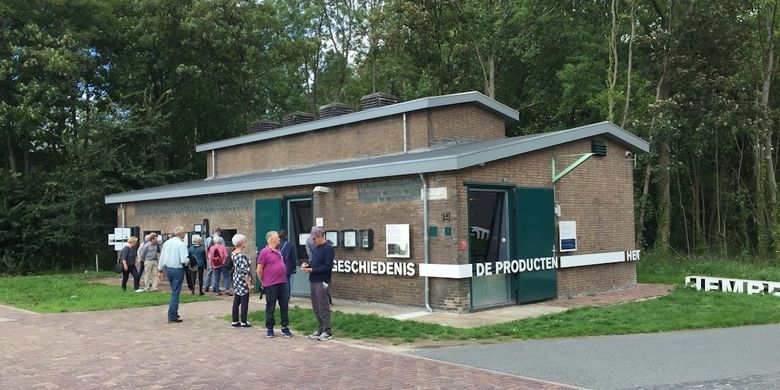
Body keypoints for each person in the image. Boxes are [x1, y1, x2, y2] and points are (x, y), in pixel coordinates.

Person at [257, 231, 293, 338]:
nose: (279, 240)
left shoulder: (278, 251)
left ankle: (285, 327)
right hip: (271, 284)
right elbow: (259, 269)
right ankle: (270, 328)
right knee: (270, 306)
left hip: (283, 282)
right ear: (271, 239)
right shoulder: (264, 252)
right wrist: (263, 281)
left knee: (284, 305)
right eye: (277, 238)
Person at [301, 227, 334, 341]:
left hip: (323, 281)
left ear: (320, 236)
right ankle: (320, 328)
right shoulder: (315, 248)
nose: (313, 241)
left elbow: (328, 266)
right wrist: (307, 266)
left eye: (314, 239)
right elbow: (313, 263)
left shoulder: (328, 248)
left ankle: (327, 331)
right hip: (313, 280)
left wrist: (313, 270)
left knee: (323, 305)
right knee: (316, 306)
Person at [157, 226, 190, 323]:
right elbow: (184, 260)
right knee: (175, 293)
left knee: (174, 291)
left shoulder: (167, 243)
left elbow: (162, 256)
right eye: (184, 232)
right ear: (180, 233)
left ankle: (174, 312)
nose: (185, 234)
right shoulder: (181, 244)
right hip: (177, 269)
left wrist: (160, 269)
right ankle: (172, 315)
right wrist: (189, 260)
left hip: (168, 269)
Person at [230, 234, 253, 328]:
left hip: (236, 277)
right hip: (242, 279)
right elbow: (244, 272)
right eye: (244, 241)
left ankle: (235, 320)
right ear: (241, 243)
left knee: (237, 299)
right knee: (244, 300)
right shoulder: (242, 256)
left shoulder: (233, 253)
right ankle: (243, 321)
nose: (245, 243)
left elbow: (238, 266)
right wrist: (249, 284)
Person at [278, 230, 297, 297]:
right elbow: (293, 257)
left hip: (278, 266)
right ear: (286, 236)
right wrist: (294, 267)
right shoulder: (290, 245)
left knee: (279, 282)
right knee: (287, 282)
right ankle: (287, 296)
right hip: (287, 266)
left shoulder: (277, 245)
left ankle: (280, 296)